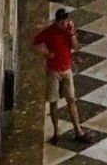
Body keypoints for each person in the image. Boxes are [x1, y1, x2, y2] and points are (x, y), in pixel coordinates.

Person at [33, 8, 89, 143]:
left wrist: (72, 33)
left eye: (66, 20)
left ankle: (78, 130)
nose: (65, 23)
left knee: (71, 100)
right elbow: (34, 44)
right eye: (63, 21)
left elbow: (75, 46)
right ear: (58, 21)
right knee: (54, 102)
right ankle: (56, 132)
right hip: (54, 71)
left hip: (67, 70)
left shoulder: (68, 31)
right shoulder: (49, 32)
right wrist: (46, 54)